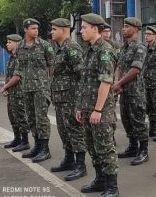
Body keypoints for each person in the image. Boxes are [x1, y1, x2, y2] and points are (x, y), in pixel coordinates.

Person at [76, 13, 119, 197]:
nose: (81, 30)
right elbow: (85, 81)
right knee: (92, 147)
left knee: (105, 148)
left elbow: (106, 82)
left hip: (100, 110)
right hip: (87, 108)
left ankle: (112, 187)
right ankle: (100, 180)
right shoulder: (89, 50)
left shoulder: (104, 51)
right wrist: (80, 106)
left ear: (95, 29)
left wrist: (98, 109)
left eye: (84, 27)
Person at [49, 18, 86, 181]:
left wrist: (80, 98)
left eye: (54, 29)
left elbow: (82, 74)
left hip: (71, 98)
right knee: (64, 131)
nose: (51, 32)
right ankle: (69, 159)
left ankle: (81, 165)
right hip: (60, 99)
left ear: (64, 30)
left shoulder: (72, 48)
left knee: (75, 131)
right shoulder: (59, 49)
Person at [15, 18, 54, 163]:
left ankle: (45, 149)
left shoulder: (44, 45)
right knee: (31, 118)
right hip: (26, 87)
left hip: (41, 88)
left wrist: (48, 84)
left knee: (41, 118)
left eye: (37, 28)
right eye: (32, 28)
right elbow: (20, 67)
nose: (36, 31)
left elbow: (51, 66)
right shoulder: (20, 46)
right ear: (25, 29)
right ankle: (37, 146)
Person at [113, 17, 149, 166]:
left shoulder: (139, 47)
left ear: (135, 29)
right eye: (123, 26)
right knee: (127, 120)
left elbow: (135, 69)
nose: (123, 29)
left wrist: (119, 83)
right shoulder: (124, 47)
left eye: (126, 26)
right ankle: (133, 147)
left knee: (138, 120)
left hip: (135, 91)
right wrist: (116, 82)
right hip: (124, 90)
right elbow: (119, 66)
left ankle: (144, 151)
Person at [0, 34, 30, 152]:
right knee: (12, 116)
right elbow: (9, 76)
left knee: (21, 117)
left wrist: (5, 87)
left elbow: (17, 77)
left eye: (10, 42)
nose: (7, 44)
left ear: (17, 43)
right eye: (7, 42)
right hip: (12, 92)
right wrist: (6, 88)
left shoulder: (19, 57)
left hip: (19, 93)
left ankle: (25, 141)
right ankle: (17, 139)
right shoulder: (11, 58)